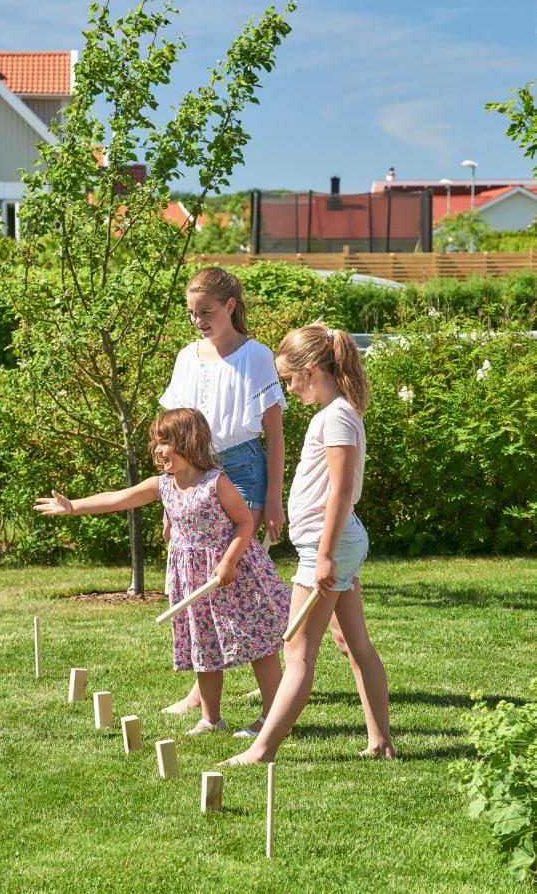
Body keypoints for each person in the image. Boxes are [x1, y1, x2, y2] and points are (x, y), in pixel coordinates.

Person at [34, 407, 291, 737]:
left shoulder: (217, 482)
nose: (158, 449)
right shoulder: (163, 486)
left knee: (259, 643)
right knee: (204, 644)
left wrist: (228, 562)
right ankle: (211, 719)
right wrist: (73, 506)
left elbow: (243, 523)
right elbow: (117, 498)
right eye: (156, 442)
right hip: (192, 578)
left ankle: (273, 716)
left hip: (233, 574)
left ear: (189, 442)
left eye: (166, 441)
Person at [224, 324, 395, 764]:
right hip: (330, 544)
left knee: (296, 651)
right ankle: (381, 742)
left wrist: (323, 557)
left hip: (328, 546)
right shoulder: (337, 412)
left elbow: (339, 492)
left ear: (312, 371)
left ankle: (261, 751)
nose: (290, 388)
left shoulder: (336, 415)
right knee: (352, 642)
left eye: (290, 379)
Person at [159, 267, 287, 727]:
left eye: (207, 312)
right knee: (199, 579)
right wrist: (172, 508)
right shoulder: (186, 357)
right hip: (194, 467)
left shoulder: (257, 356)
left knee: (238, 577)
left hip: (245, 467)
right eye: (192, 313)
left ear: (230, 306)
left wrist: (274, 498)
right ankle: (203, 695)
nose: (198, 321)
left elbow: (273, 432)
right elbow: (174, 432)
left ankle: (271, 695)